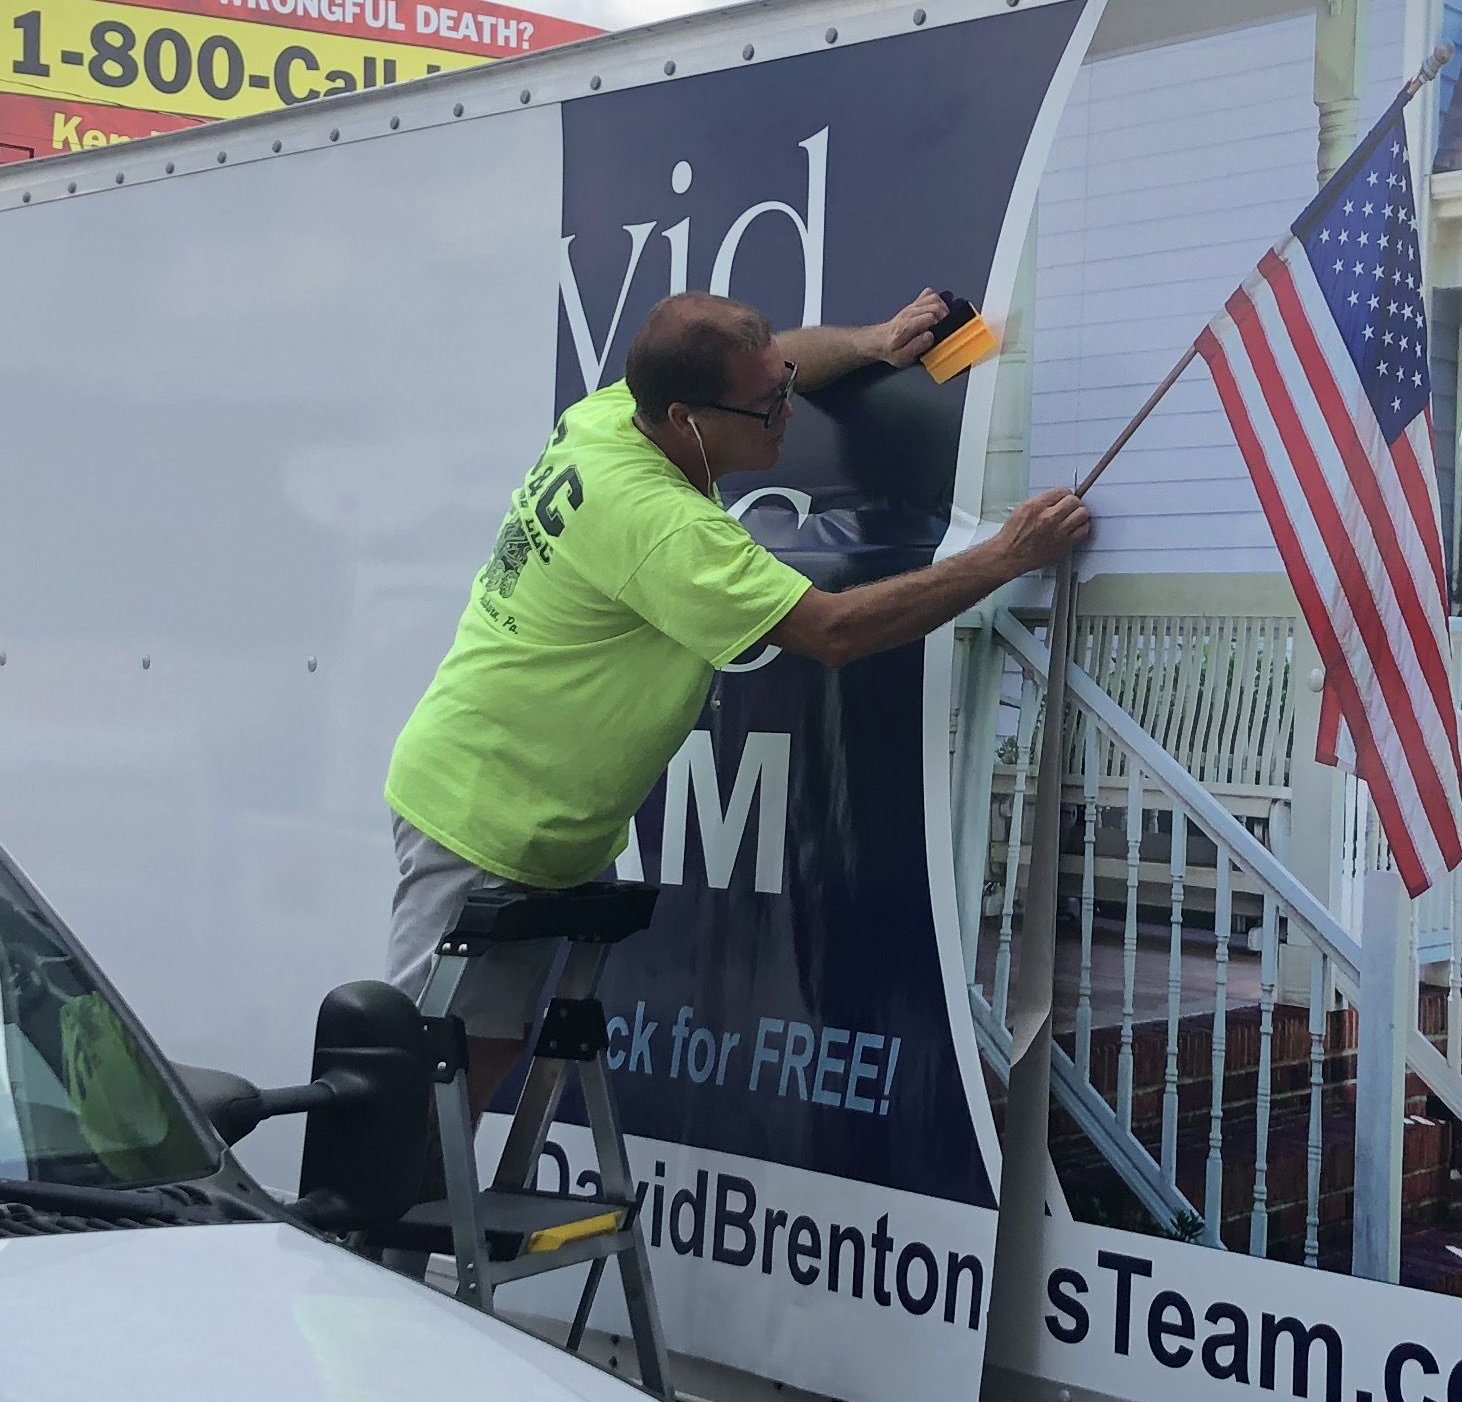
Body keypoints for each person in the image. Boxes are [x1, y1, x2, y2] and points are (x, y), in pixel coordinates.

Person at [383, 286, 1093, 1090]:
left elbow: (779, 355)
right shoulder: (661, 523)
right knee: (418, 1073)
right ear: (689, 418)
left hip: (533, 815)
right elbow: (832, 631)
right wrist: (1004, 557)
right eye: (768, 405)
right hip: (481, 809)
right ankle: (379, 1218)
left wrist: (873, 341)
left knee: (486, 1046)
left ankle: (435, 1213)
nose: (787, 410)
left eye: (784, 385)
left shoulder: (621, 411)